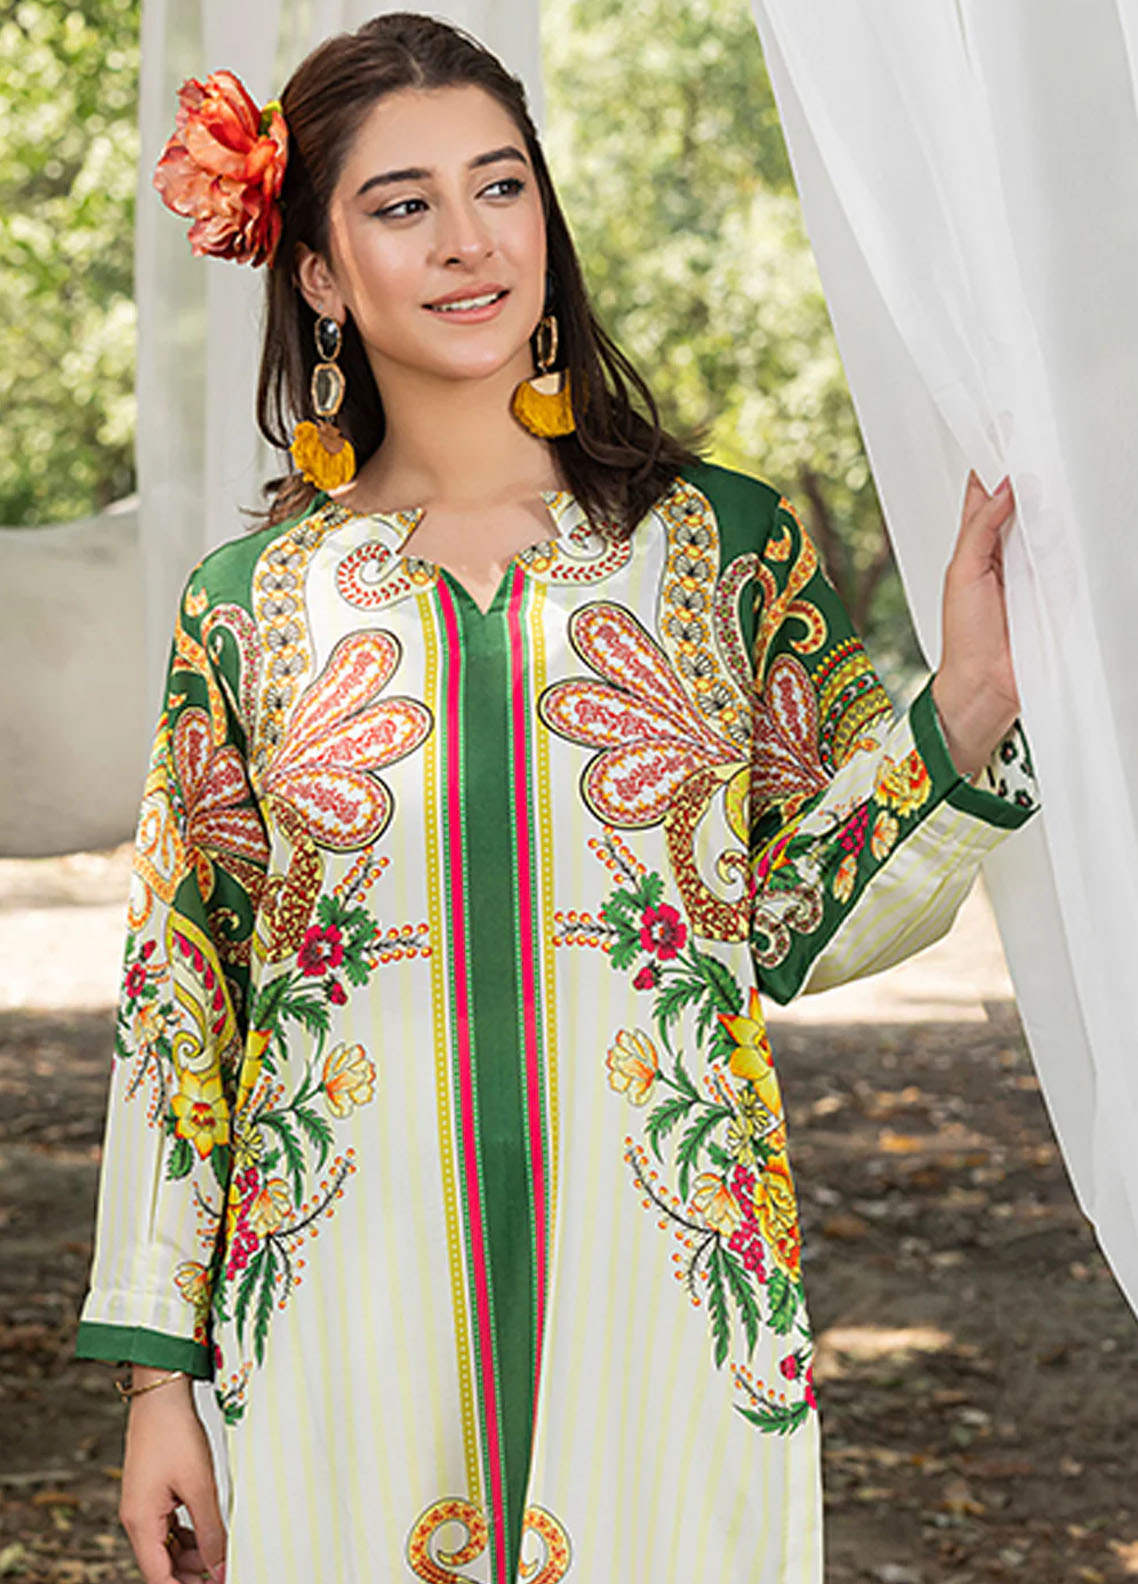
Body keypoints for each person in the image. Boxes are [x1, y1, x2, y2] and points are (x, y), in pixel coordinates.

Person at [75, 13, 1035, 1583]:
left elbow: (794, 922)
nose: (469, 242)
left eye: (500, 186)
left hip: (668, 1308)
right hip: (329, 1334)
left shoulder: (719, 548)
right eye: (402, 206)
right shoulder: (248, 606)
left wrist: (972, 703)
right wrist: (154, 1384)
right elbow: (182, 1003)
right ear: (317, 273)